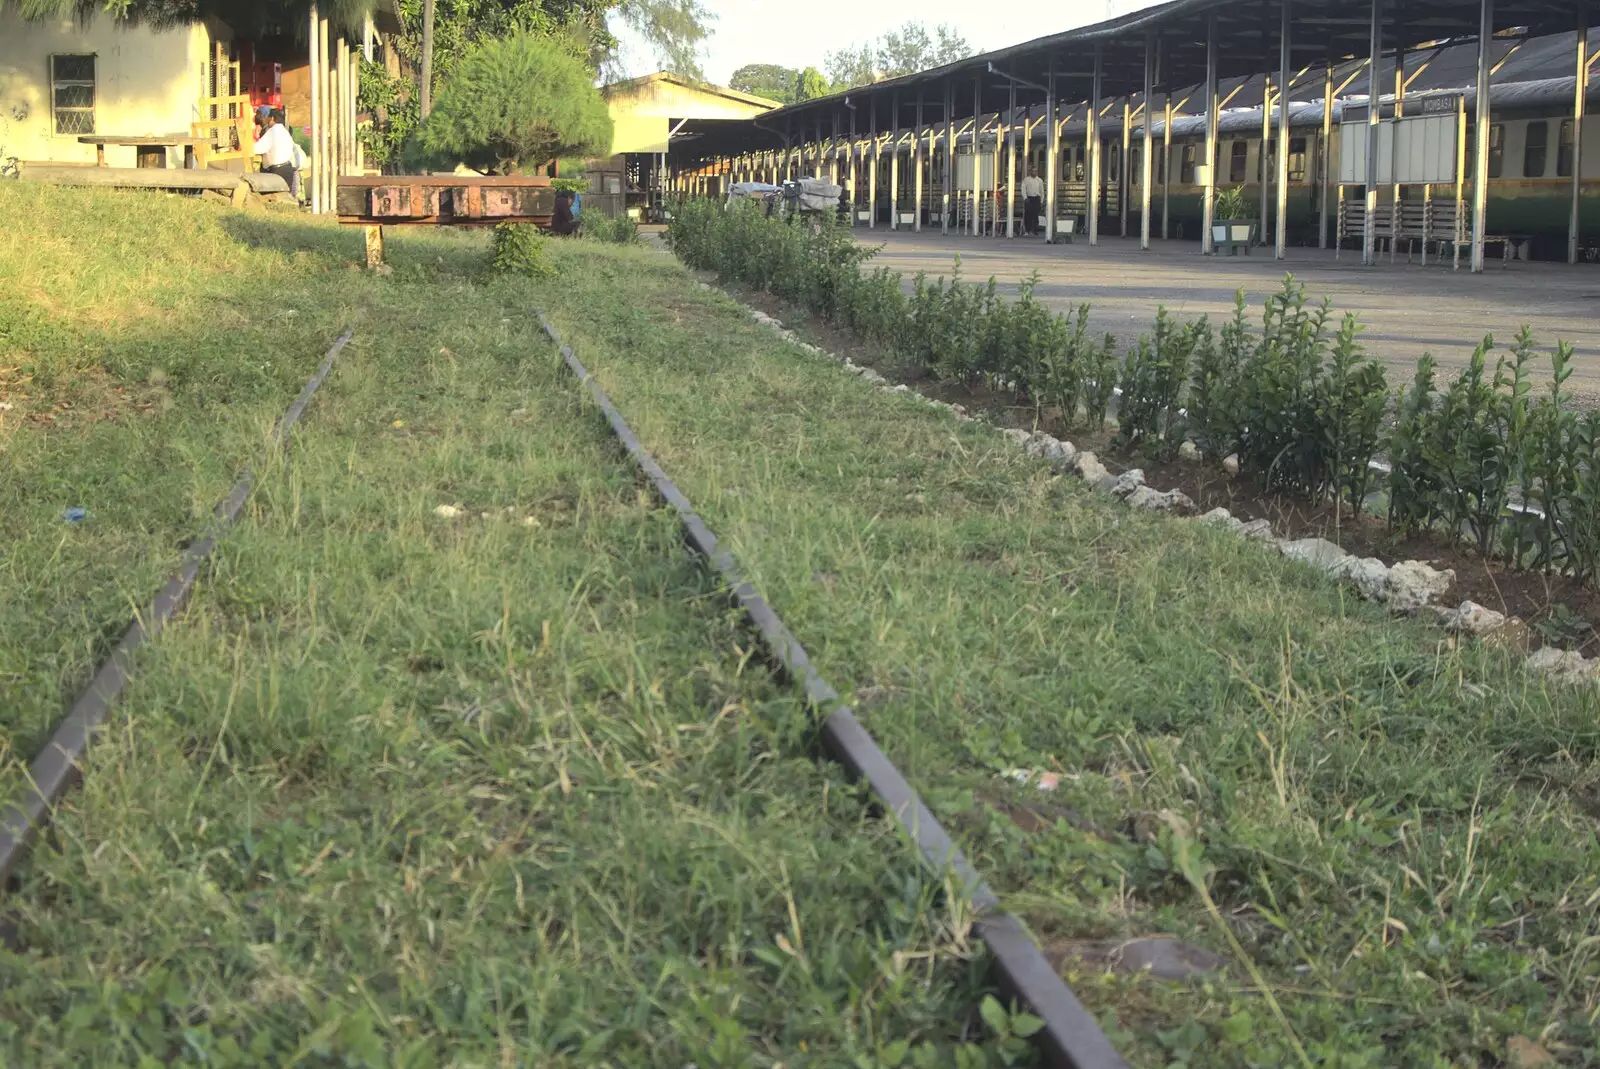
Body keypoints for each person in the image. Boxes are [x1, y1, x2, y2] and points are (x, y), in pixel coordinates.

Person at [252, 105, 296, 192]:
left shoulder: (273, 131)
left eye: (268, 117)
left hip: (277, 171)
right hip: (287, 169)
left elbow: (257, 148)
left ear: (272, 118)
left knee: (273, 197)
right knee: (285, 196)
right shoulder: (284, 131)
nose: (267, 120)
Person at [1021, 166, 1046, 237]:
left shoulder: (1040, 180)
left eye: (1035, 171)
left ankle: (1035, 230)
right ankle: (1027, 230)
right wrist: (1025, 198)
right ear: (1030, 171)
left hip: (1036, 198)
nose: (1034, 172)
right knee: (1028, 215)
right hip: (1029, 198)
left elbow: (1042, 191)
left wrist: (1041, 201)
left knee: (1036, 215)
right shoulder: (1026, 180)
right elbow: (1023, 189)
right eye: (1033, 171)